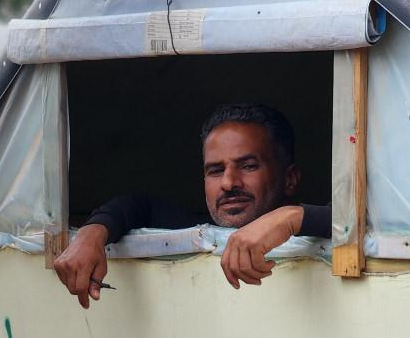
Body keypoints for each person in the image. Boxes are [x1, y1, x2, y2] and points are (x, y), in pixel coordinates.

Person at [53, 103, 332, 309]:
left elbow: (357, 222)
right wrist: (92, 233)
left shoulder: (320, 226)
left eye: (248, 166)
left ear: (290, 179)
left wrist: (291, 217)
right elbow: (138, 206)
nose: (228, 182)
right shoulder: (196, 230)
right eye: (214, 170)